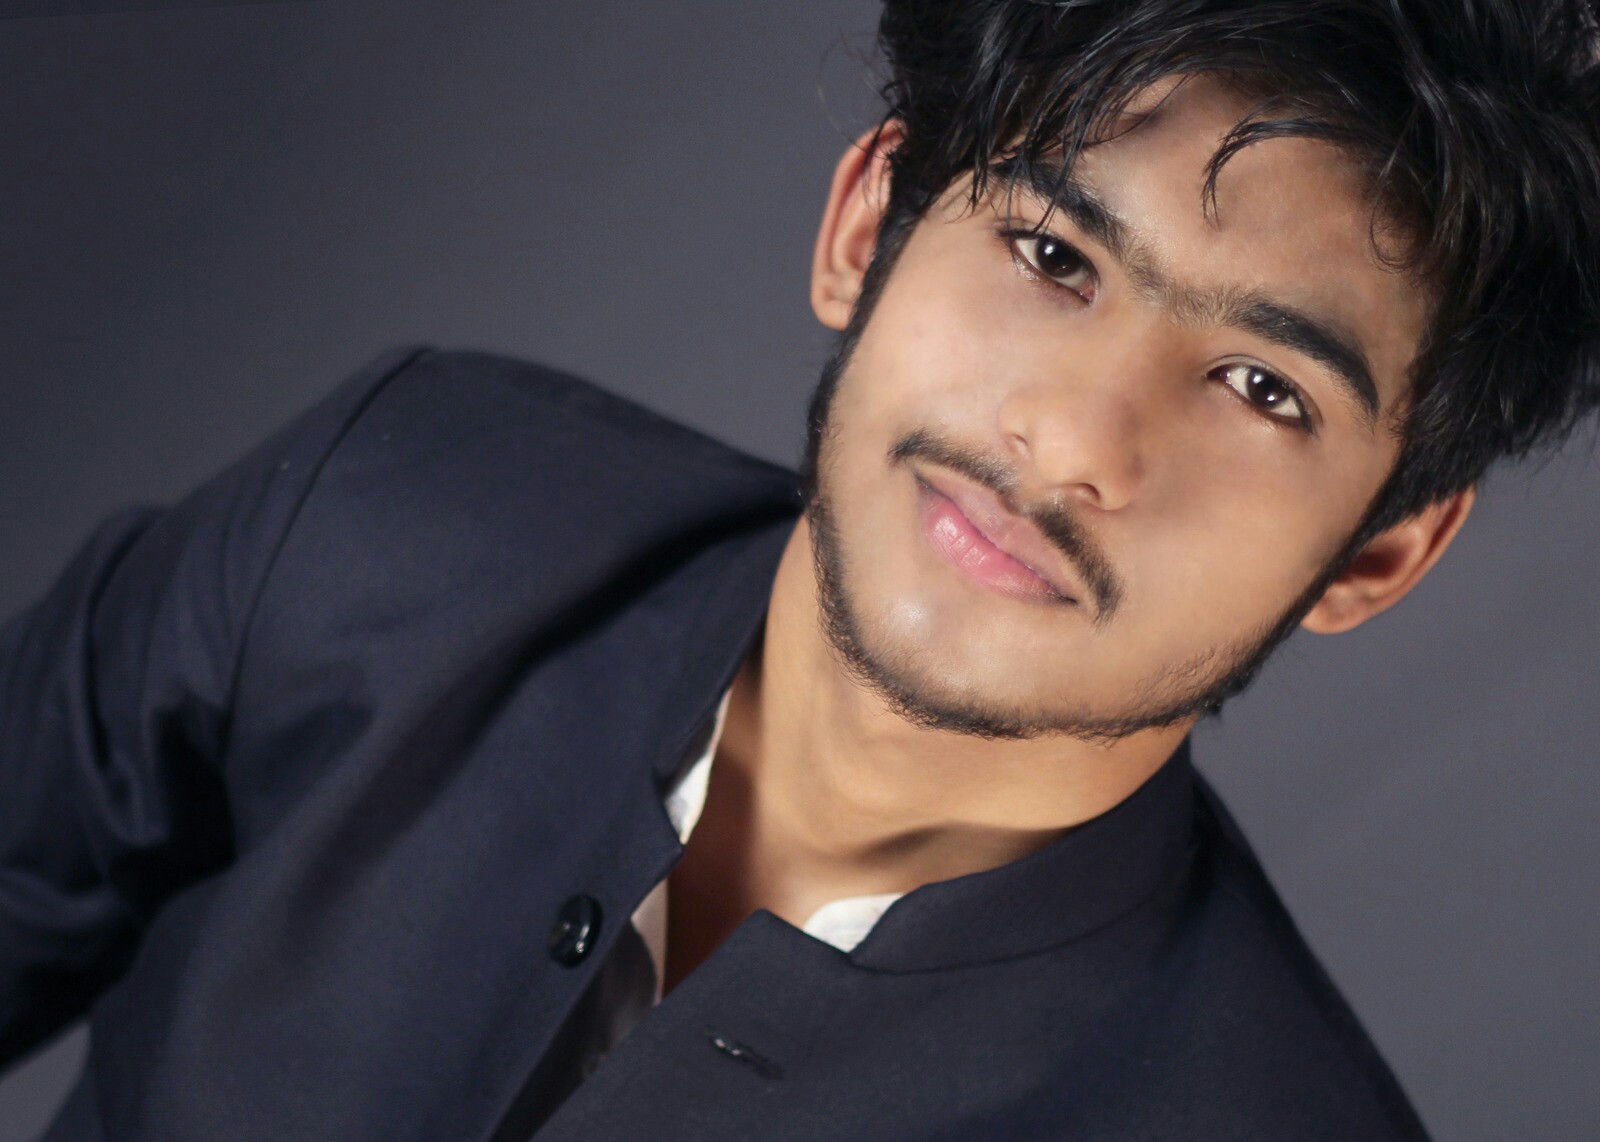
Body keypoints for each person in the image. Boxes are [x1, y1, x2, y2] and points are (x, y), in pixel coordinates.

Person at [4, 0, 1599, 1137]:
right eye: (1052, 254)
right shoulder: (395, 509)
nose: (1075, 440)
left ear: (1379, 549)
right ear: (865, 224)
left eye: (1263, 387)